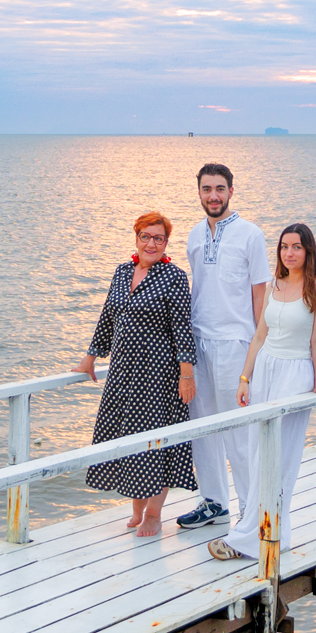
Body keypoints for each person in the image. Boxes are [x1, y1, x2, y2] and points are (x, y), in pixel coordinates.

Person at [208, 222, 316, 566]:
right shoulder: (275, 285)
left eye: (296, 247)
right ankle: (267, 529)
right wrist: (245, 377)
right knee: (255, 452)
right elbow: (260, 336)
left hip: (295, 373)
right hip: (264, 369)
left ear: (308, 251)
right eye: (284, 247)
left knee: (279, 457)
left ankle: (251, 537)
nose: (289, 253)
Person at [77, 211, 199, 538]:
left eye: (158, 238)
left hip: (157, 375)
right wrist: (90, 358)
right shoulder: (121, 272)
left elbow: (182, 328)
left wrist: (186, 374)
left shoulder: (173, 277)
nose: (151, 243)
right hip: (122, 374)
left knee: (155, 445)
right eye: (146, 236)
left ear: (166, 243)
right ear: (136, 238)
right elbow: (107, 318)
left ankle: (155, 515)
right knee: (129, 441)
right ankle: (136, 510)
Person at [176, 163, 269, 532]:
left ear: (231, 190)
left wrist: (258, 353)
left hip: (236, 342)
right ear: (198, 192)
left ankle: (250, 510)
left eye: (219, 188)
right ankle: (214, 502)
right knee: (203, 427)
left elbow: (259, 297)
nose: (212, 196)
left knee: (240, 431)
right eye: (206, 189)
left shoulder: (251, 235)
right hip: (199, 342)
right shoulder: (195, 235)